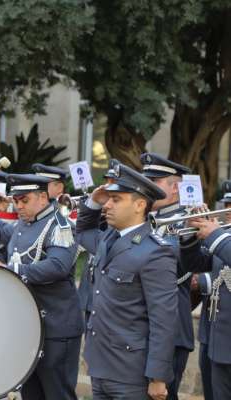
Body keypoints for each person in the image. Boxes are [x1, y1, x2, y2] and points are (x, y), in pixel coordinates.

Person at [0, 173, 82, 400]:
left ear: (43, 197)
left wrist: (13, 270)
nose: (18, 206)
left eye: (24, 200)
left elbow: (58, 266)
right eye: (16, 201)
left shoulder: (60, 225)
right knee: (31, 394)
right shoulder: (24, 225)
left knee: (57, 394)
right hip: (29, 328)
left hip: (56, 327)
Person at [76, 162, 177, 400]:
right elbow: (82, 232)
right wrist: (93, 201)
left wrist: (158, 377)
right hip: (101, 366)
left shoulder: (155, 252)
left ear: (140, 205)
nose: (107, 205)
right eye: (108, 198)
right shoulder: (108, 239)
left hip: (131, 373)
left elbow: (163, 320)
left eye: (116, 199)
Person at [140, 152, 195, 400]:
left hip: (171, 325)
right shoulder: (144, 219)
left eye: (155, 182)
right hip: (138, 324)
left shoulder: (189, 221)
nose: (146, 188)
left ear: (176, 189)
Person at [181, 202, 231, 400]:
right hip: (222, 345)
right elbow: (195, 264)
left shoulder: (223, 238)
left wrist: (216, 237)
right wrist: (190, 234)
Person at [77, 159, 119, 325]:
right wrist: (94, 203)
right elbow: (85, 232)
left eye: (114, 183)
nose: (108, 187)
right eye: (107, 181)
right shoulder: (103, 206)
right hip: (92, 293)